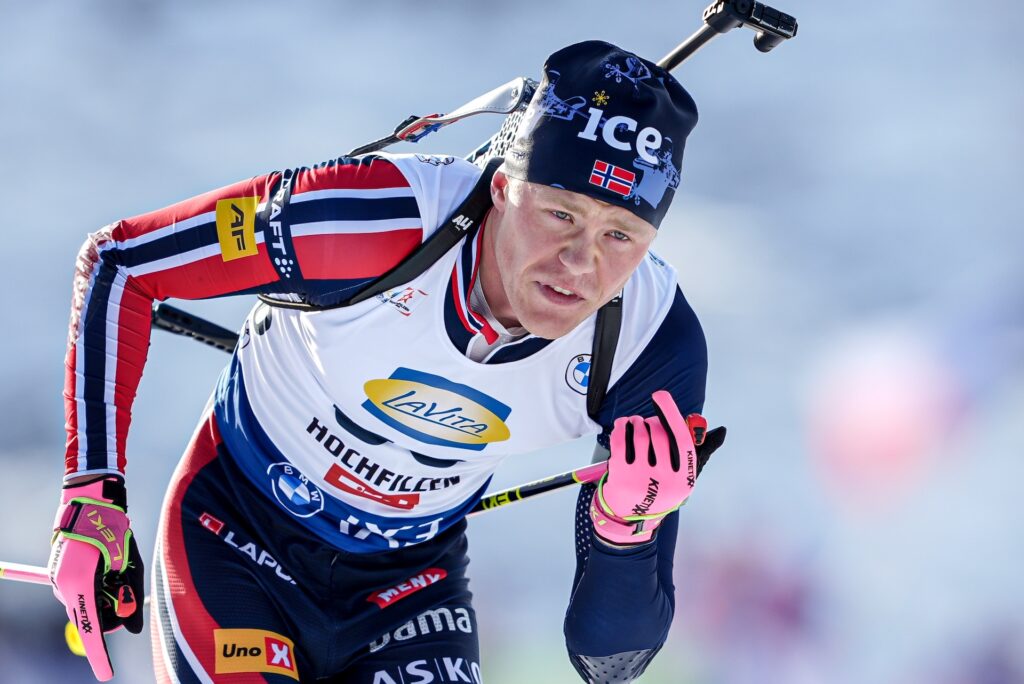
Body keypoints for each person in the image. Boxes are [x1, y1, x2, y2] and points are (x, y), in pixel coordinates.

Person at [47, 40, 725, 683]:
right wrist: (91, 500)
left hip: (411, 583)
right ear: (501, 188)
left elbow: (609, 662)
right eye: (559, 214)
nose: (582, 263)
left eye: (620, 234)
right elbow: (121, 263)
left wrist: (626, 528)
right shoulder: (370, 220)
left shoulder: (649, 338)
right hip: (237, 536)